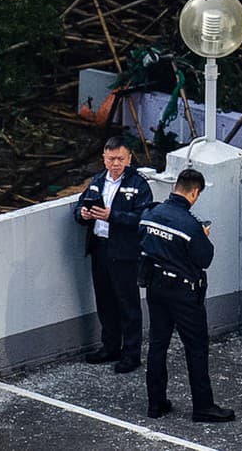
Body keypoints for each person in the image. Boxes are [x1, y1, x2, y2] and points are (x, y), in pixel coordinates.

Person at [139, 168, 235, 423]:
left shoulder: (151, 213)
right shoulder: (189, 224)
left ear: (175, 187)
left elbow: (144, 242)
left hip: (155, 287)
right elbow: (204, 258)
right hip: (182, 293)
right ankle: (203, 406)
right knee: (196, 348)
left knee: (158, 344)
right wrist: (201, 236)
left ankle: (155, 403)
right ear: (194, 192)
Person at [73, 136, 153, 374]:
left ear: (129, 158)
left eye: (120, 158)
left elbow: (144, 218)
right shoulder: (98, 181)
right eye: (111, 159)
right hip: (100, 247)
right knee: (105, 300)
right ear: (104, 159)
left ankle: (131, 353)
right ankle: (110, 346)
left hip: (125, 252)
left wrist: (113, 216)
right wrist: (84, 215)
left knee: (127, 304)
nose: (115, 163)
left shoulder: (138, 185)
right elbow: (79, 207)